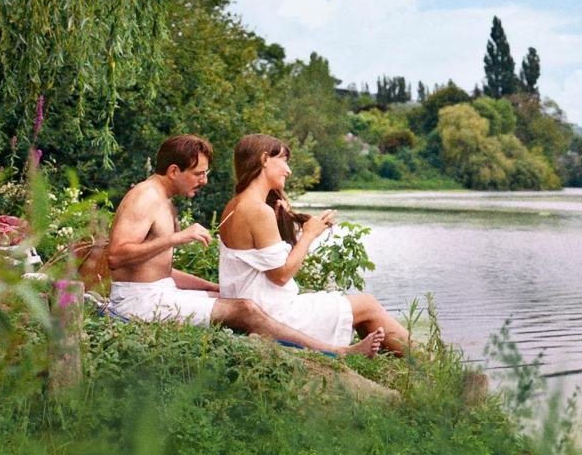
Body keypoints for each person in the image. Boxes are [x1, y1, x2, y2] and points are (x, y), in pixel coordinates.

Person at [106, 134, 384, 357]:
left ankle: (311, 343)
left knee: (231, 300)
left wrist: (212, 287)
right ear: (174, 170)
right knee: (245, 310)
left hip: (156, 292)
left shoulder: (162, 200)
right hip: (138, 302)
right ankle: (336, 352)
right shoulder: (145, 197)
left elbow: (157, 271)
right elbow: (116, 257)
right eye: (198, 174)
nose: (204, 180)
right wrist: (177, 238)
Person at [218, 134, 411, 355]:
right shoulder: (257, 209)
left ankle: (407, 362)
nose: (288, 170)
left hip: (256, 306)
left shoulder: (235, 204)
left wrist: (293, 218)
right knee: (366, 304)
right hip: (271, 315)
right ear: (264, 159)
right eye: (284, 160)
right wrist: (309, 235)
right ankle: (426, 364)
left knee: (357, 307)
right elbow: (280, 276)